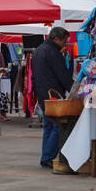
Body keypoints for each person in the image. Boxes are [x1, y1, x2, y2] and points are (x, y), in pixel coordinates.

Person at [32, 26, 73, 167]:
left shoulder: (39, 50)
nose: (65, 44)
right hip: (53, 94)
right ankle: (48, 157)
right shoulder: (52, 52)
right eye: (64, 41)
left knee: (49, 126)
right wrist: (73, 89)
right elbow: (62, 74)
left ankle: (46, 156)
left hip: (42, 93)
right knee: (56, 126)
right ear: (56, 39)